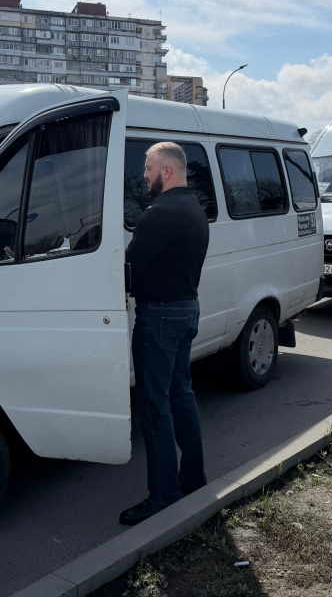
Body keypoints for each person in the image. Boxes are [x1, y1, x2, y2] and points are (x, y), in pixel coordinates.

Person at [120, 141, 210, 526]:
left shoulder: (159, 214)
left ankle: (163, 495)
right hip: (186, 309)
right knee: (181, 396)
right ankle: (193, 478)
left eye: (148, 167)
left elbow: (130, 270)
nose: (144, 175)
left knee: (153, 405)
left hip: (158, 316)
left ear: (167, 171)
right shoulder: (194, 208)